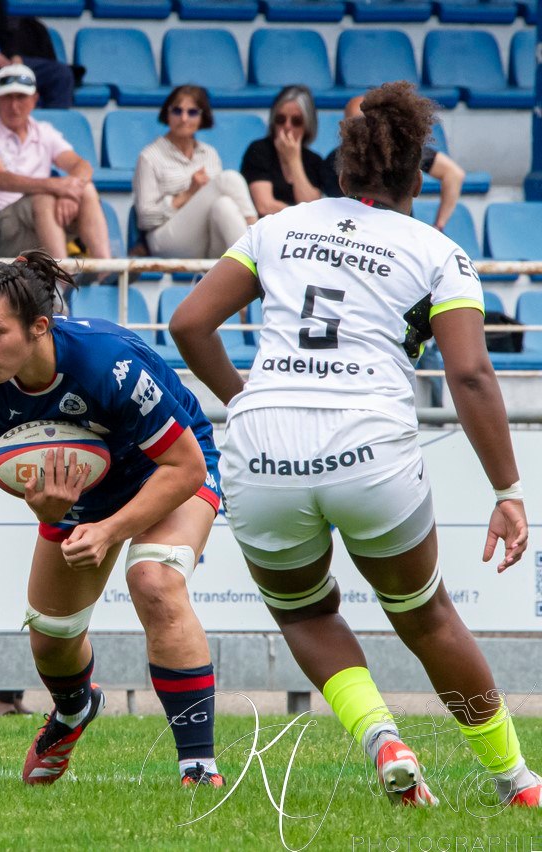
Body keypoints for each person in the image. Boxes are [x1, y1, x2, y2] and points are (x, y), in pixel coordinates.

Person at [169, 81, 542, 809]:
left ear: (341, 169)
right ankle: (517, 781)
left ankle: (384, 741)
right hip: (369, 447)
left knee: (305, 613)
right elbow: (468, 373)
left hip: (264, 445)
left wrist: (246, 399)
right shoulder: (439, 252)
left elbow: (188, 324)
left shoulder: (280, 227)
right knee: (426, 615)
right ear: (416, 174)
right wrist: (506, 490)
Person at [0, 250, 224, 787]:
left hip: (170, 472)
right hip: (91, 490)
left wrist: (109, 531)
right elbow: (36, 486)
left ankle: (198, 767)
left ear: (39, 326)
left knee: (154, 581)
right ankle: (73, 711)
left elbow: (185, 467)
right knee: (52, 635)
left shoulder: (105, 364)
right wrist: (49, 508)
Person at [0, 65, 110, 263]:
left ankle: (106, 268)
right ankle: (60, 280)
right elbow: (0, 179)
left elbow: (81, 165)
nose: (14, 106)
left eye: (21, 97)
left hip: (33, 228)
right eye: (8, 97)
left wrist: (72, 190)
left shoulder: (44, 131)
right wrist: (57, 186)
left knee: (87, 190)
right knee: (43, 198)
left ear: (34, 99)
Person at [134, 85, 257, 260]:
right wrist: (186, 195)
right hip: (165, 240)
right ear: (167, 114)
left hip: (206, 241)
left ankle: (253, 267)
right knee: (228, 179)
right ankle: (259, 242)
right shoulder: (149, 156)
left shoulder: (209, 153)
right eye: (177, 111)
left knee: (224, 205)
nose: (184, 118)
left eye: (192, 112)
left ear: (202, 117)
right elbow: (145, 218)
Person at [321, 95, 467, 233]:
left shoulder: (402, 153)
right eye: (356, 124)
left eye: (368, 123)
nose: (363, 132)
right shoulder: (335, 160)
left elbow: (453, 174)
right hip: (355, 239)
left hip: (400, 237)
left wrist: (438, 225)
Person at [240, 84, 324, 218]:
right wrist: (299, 215)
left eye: (296, 121)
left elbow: (312, 206)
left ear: (307, 125)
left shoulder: (314, 161)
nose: (287, 126)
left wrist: (293, 160)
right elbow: (264, 206)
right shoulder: (259, 150)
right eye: (280, 119)